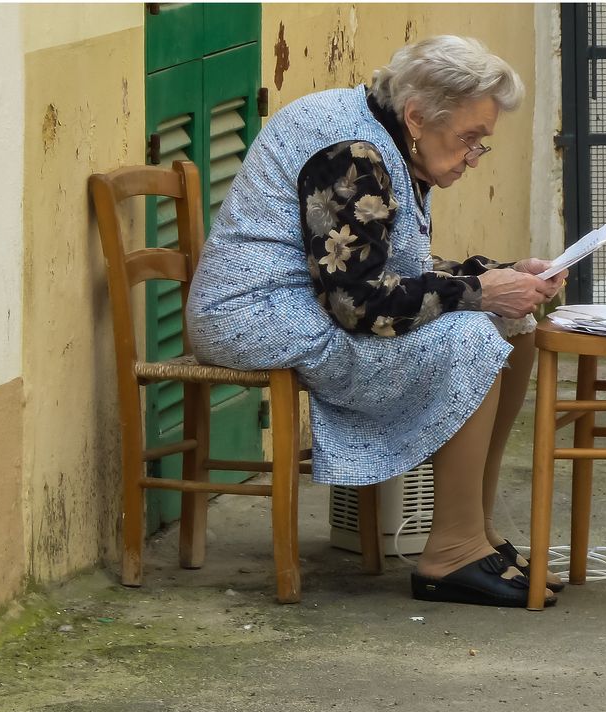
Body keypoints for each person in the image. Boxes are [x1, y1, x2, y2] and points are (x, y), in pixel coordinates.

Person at [186, 35, 567, 607]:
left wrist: (502, 278)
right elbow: (357, 304)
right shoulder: (351, 153)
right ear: (418, 115)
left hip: (307, 304)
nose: (472, 155)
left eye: (478, 143)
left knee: (514, 324)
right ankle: (451, 554)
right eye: (468, 139)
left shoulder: (391, 136)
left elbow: (382, 267)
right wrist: (479, 292)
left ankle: (473, 527)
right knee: (468, 333)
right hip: (253, 315)